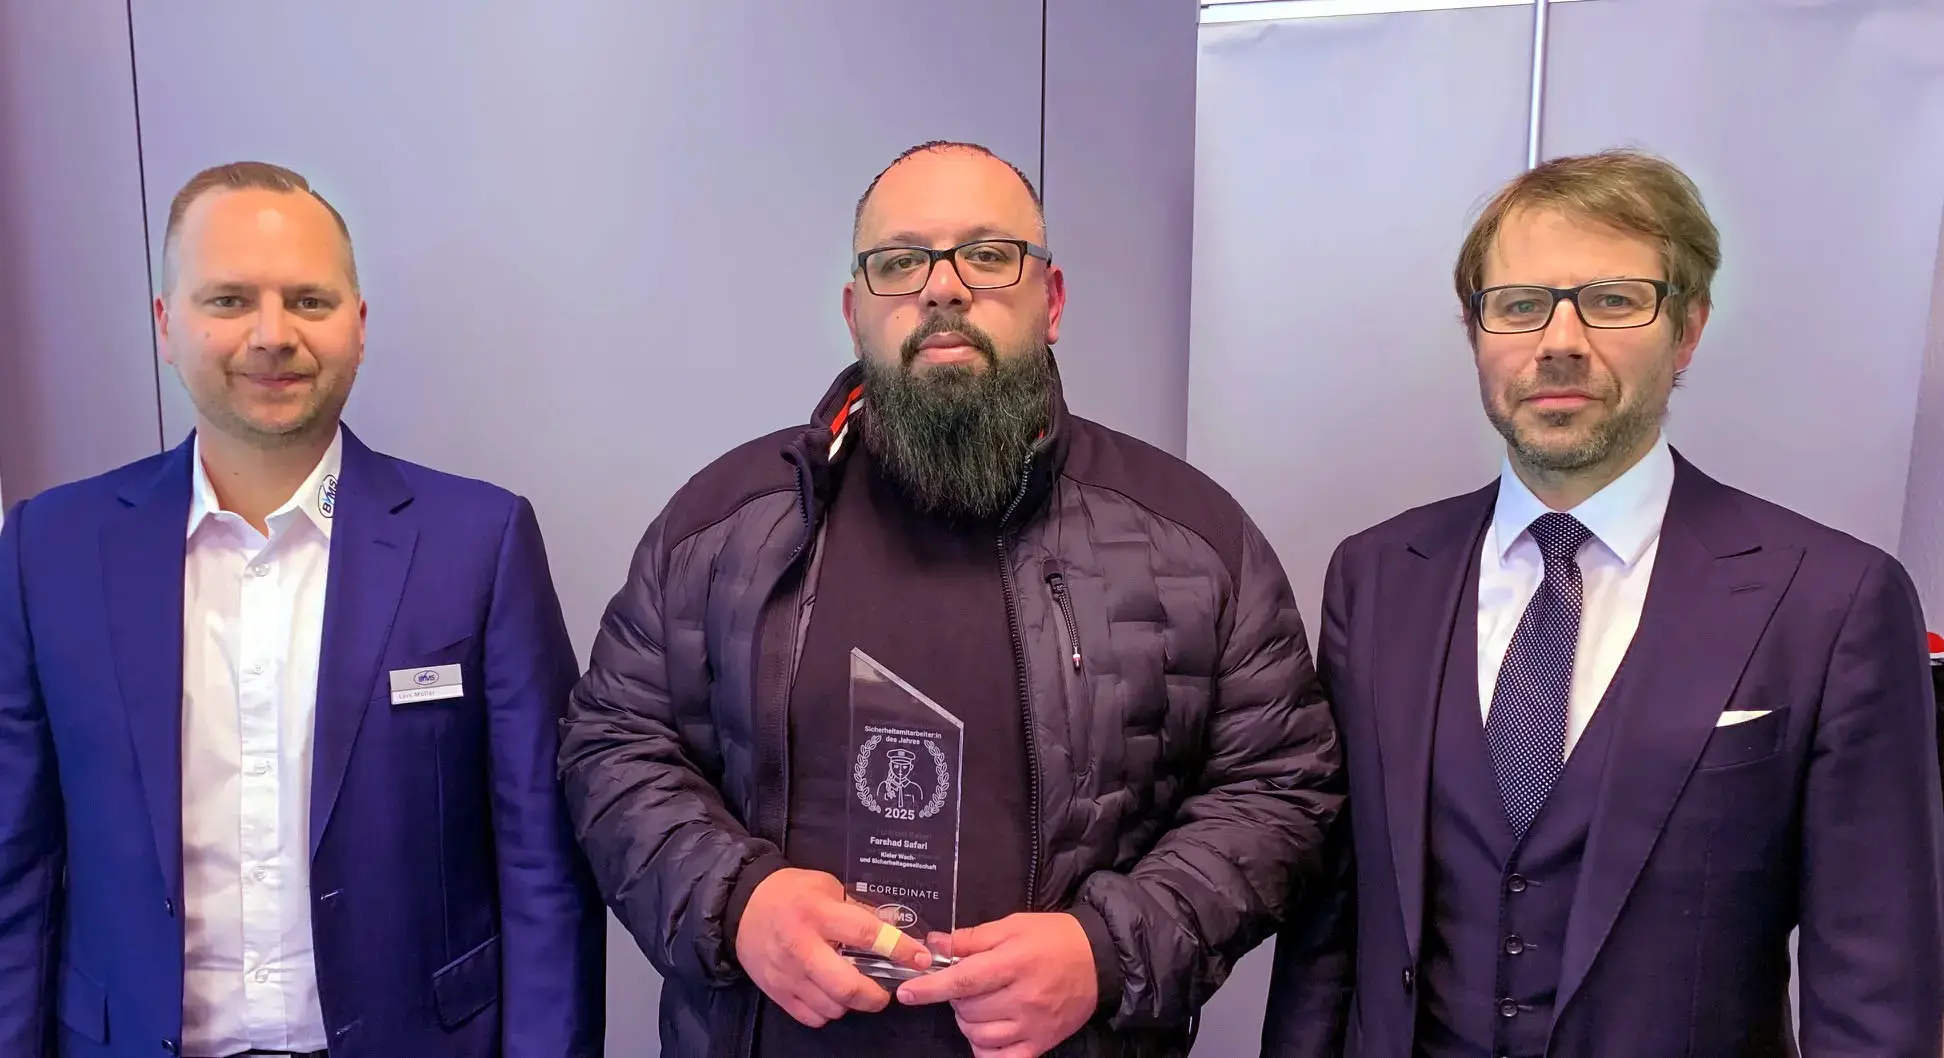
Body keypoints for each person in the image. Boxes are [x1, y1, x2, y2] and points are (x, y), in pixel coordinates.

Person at [559, 140, 1343, 1058]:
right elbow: (613, 744)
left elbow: (1282, 786)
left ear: (1050, 302)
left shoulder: (1194, 540)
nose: (943, 288)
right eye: (901, 262)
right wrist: (737, 903)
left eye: (987, 254)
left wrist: (1107, 953)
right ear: (857, 313)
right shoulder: (719, 526)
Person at [1262, 148, 1944, 1057]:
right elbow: (1331, 921)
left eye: (1614, 300)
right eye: (1519, 305)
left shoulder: (1834, 601)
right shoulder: (1378, 576)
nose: (1560, 341)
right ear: (1478, 333)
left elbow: (1876, 979)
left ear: (1688, 328)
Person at [0, 162, 606, 1057]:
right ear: (167, 325)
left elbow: (542, 869)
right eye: (230, 300)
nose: (273, 335)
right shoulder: (47, 547)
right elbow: (16, 865)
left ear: (359, 328)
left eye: (310, 301)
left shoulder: (480, 542)